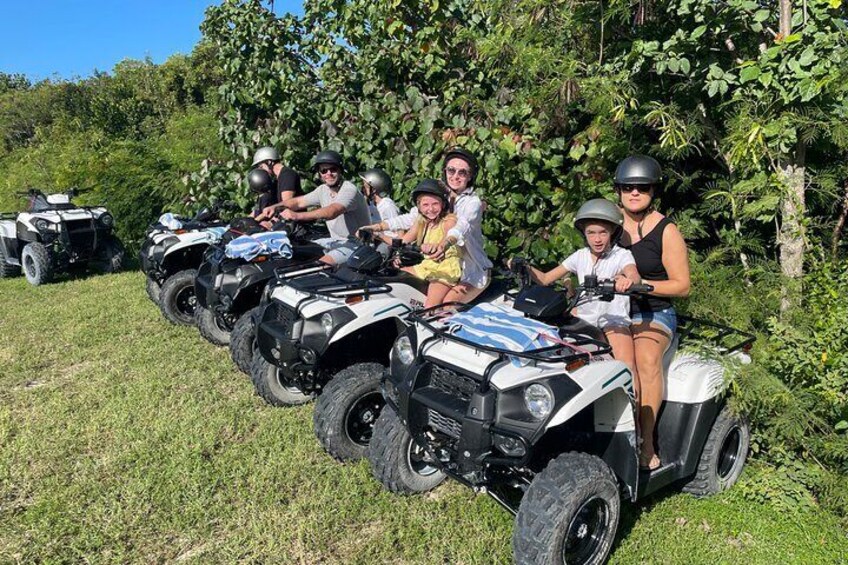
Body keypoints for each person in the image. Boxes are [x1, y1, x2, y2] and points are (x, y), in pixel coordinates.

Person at [615, 155, 691, 470]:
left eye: (642, 187)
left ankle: (646, 442)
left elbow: (682, 285)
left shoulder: (666, 230)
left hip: (654, 312)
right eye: (628, 187)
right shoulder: (609, 224)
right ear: (617, 189)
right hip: (614, 310)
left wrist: (643, 285)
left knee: (645, 362)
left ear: (653, 191)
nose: (635, 193)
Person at [514, 198, 641, 380]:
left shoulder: (621, 255)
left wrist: (625, 280)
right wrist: (524, 266)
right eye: (591, 233)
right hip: (584, 318)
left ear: (613, 231)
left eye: (603, 232)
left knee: (626, 365)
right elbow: (545, 278)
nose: (597, 239)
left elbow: (633, 274)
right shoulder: (579, 256)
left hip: (614, 319)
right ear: (584, 233)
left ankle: (633, 406)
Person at [373, 147, 493, 303]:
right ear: (445, 171)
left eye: (462, 172)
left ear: (470, 176)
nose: (455, 176)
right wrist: (378, 227)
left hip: (470, 270)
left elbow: (461, 227)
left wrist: (443, 245)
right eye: (451, 170)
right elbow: (413, 217)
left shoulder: (472, 203)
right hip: (436, 264)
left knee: (442, 307)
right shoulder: (439, 195)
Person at [260, 150, 370, 265]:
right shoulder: (323, 190)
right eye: (324, 170)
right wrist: (275, 207)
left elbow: (332, 211)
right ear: (320, 174)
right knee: (298, 251)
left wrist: (296, 216)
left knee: (317, 267)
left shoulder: (348, 189)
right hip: (335, 241)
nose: (328, 173)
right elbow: (298, 202)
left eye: (333, 169)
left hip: (357, 245)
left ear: (340, 170)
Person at [397, 180, 461, 308]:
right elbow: (405, 240)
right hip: (426, 266)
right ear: (419, 206)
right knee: (397, 279)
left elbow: (449, 238)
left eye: (435, 204)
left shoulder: (449, 221)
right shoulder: (423, 222)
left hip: (444, 270)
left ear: (443, 204)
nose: (430, 209)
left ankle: (431, 323)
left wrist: (437, 246)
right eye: (425, 205)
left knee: (430, 306)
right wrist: (378, 234)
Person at [360, 168, 402, 242]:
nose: (363, 189)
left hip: (388, 243)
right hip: (377, 240)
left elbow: (400, 232)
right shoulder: (372, 205)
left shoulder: (387, 205)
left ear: (374, 190)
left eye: (365, 186)